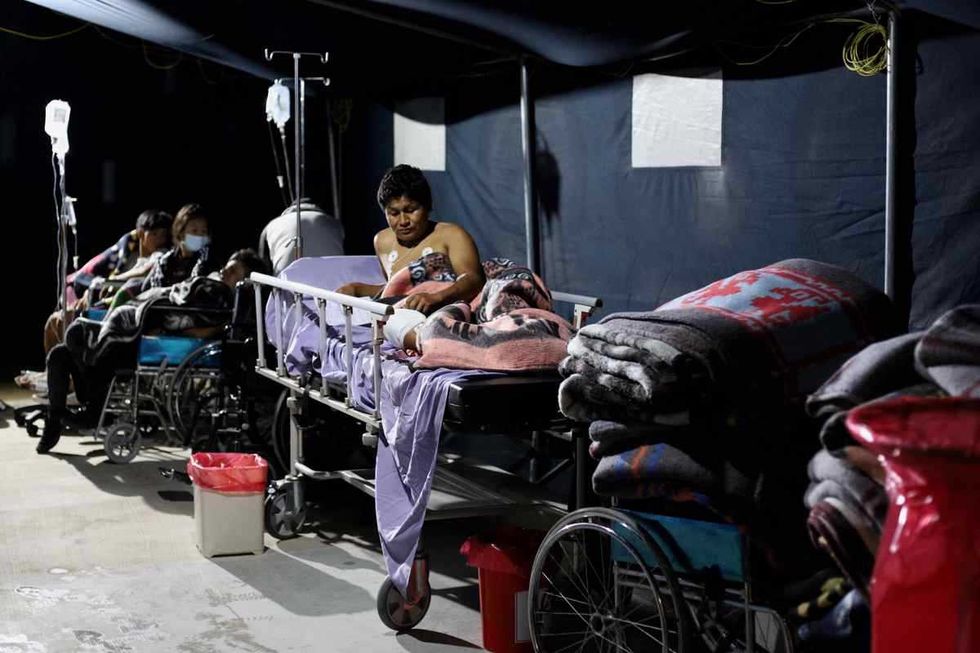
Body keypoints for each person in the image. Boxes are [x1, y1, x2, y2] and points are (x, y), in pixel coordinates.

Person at [36, 248, 268, 455]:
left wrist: (163, 327)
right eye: (227, 268)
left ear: (245, 281)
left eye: (234, 271)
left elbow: (199, 331)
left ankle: (81, 414)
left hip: (151, 343)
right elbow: (176, 298)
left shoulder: (221, 301)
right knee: (61, 352)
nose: (226, 272)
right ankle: (57, 420)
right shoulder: (208, 286)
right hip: (144, 334)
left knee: (73, 344)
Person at [337, 165, 484, 315]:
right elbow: (397, 290)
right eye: (394, 213)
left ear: (428, 206)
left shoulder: (452, 235)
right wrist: (358, 288)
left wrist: (437, 297)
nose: (403, 221)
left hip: (449, 313)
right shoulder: (382, 241)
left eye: (411, 210)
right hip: (402, 318)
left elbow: (473, 280)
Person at [43, 209, 173, 352]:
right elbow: (95, 278)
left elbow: (140, 274)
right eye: (154, 234)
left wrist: (111, 281)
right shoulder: (127, 255)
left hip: (123, 309)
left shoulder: (161, 256)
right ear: (141, 233)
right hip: (98, 301)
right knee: (55, 320)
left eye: (163, 235)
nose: (160, 240)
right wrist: (92, 290)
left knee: (67, 321)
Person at [108, 203, 212, 310]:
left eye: (203, 231)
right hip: (161, 311)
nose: (199, 236)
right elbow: (154, 293)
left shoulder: (207, 260)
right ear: (180, 232)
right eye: (194, 231)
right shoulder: (165, 262)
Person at [258, 198, 344, 274]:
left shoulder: (271, 225)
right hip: (331, 286)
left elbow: (262, 267)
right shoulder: (335, 224)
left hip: (286, 285)